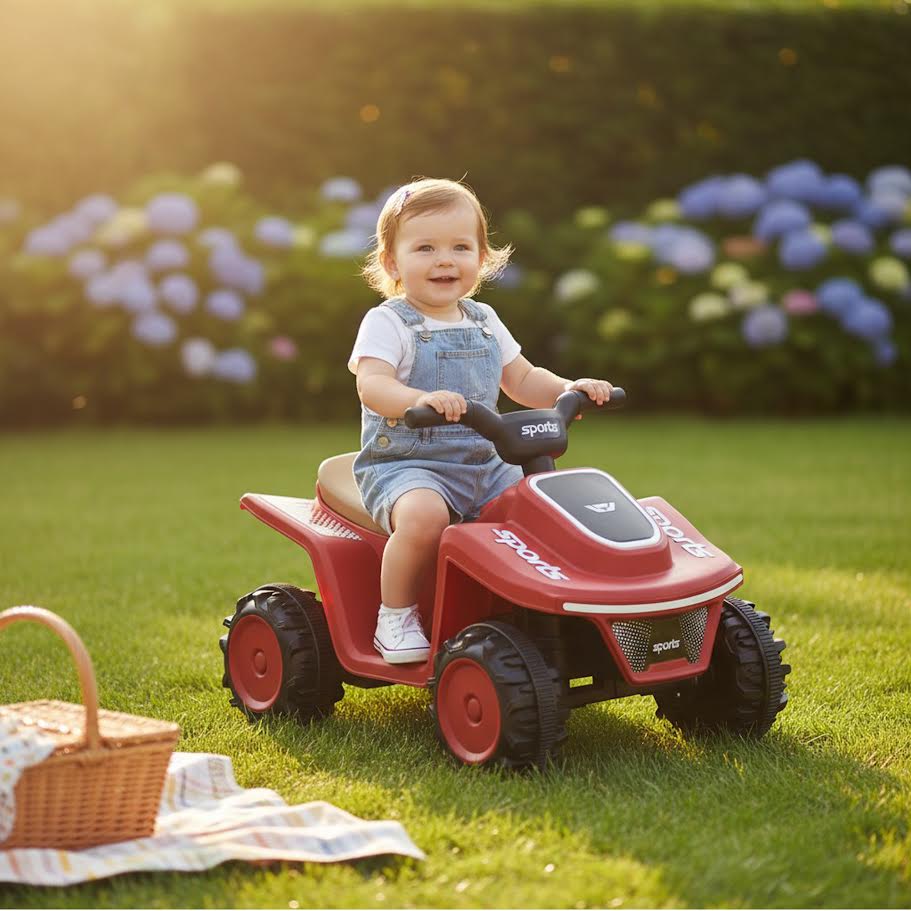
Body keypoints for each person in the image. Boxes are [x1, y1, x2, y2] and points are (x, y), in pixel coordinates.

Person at [349, 177, 613, 664]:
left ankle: (548, 607)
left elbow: (523, 378)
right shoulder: (388, 322)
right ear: (392, 262)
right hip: (408, 466)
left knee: (545, 509)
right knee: (425, 516)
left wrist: (567, 388)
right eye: (425, 247)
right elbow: (373, 385)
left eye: (460, 247)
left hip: (487, 464)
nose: (445, 259)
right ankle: (396, 614)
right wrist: (422, 396)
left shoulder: (485, 319)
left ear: (482, 258)